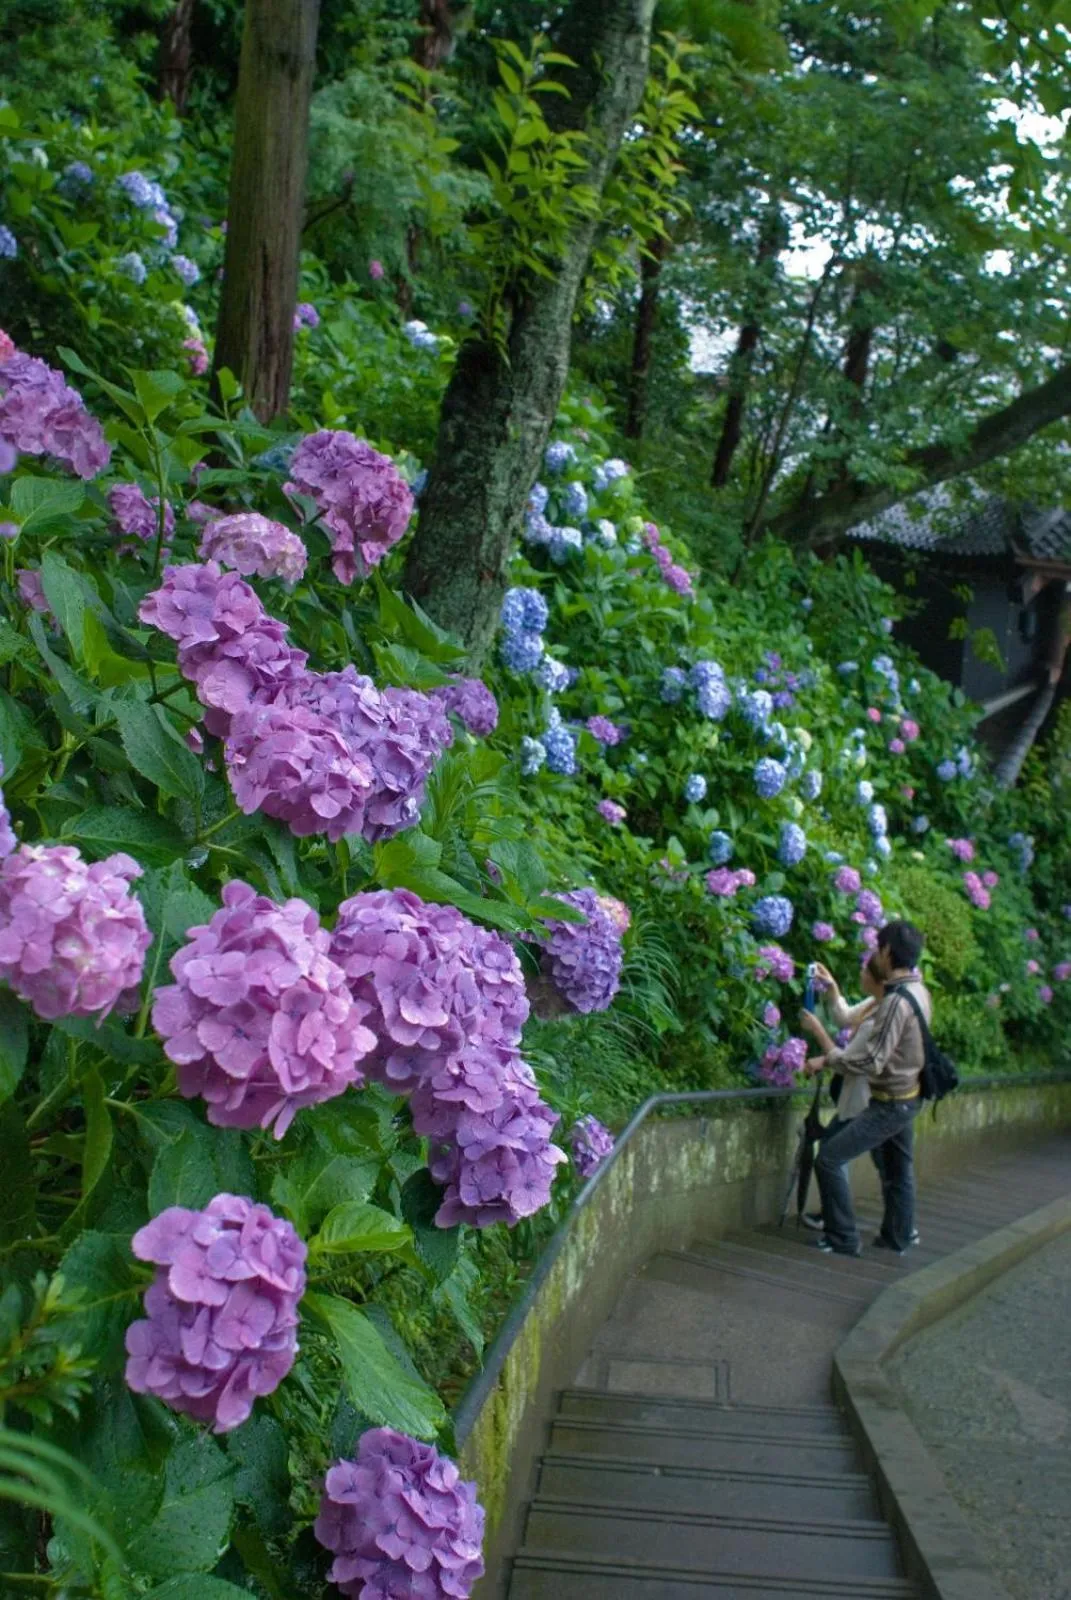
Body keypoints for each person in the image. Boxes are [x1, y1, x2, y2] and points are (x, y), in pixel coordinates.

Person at [799, 920, 931, 1257]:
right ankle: (897, 1237)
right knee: (897, 1171)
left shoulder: (894, 1003)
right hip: (909, 1095)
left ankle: (843, 1238)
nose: (876, 954)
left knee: (828, 1159)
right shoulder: (918, 991)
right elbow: (852, 1021)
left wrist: (828, 1055)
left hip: (889, 1102)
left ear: (886, 952)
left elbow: (870, 1061)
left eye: (878, 948)